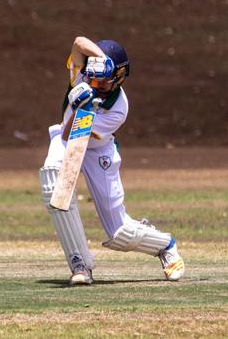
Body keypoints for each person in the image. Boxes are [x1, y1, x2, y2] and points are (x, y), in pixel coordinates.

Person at [39, 37, 185, 285]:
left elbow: (76, 134)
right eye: (93, 76)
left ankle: (165, 245)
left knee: (120, 234)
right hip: (64, 142)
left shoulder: (119, 108)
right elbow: (78, 43)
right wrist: (100, 59)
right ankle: (80, 264)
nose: (95, 83)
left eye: (103, 79)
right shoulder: (82, 73)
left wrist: (79, 106)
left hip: (97, 149)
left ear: (118, 77)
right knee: (54, 185)